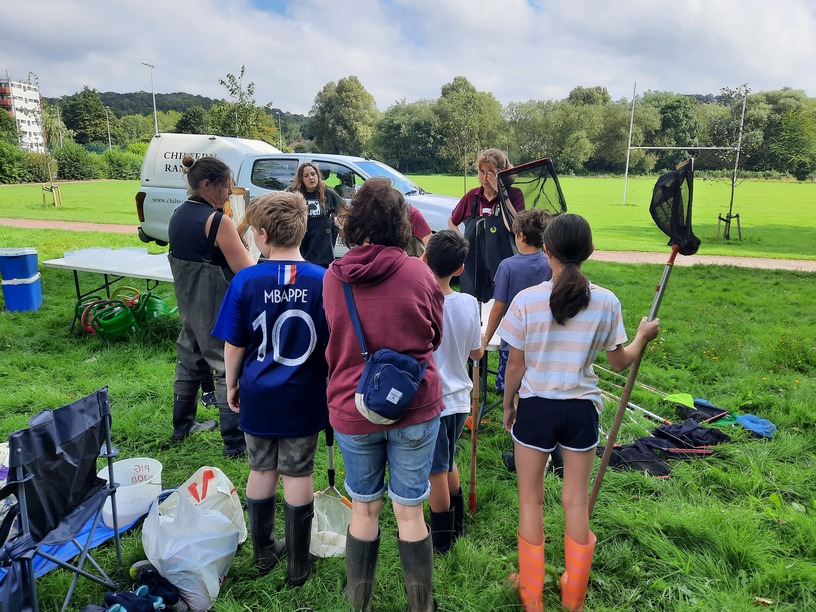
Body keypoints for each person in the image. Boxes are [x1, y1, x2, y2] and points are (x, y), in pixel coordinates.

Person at [498, 213, 660, 611]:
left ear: (547, 250)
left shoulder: (525, 301)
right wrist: (642, 337)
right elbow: (620, 362)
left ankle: (532, 595)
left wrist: (508, 403)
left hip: (536, 408)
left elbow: (515, 365)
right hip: (582, 411)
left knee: (530, 501)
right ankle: (574, 596)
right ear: (588, 252)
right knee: (575, 501)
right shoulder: (606, 301)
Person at [323, 177, 444, 611]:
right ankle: (421, 606)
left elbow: (334, 338)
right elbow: (435, 335)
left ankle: (360, 605)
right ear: (401, 223)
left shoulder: (333, 278)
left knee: (364, 508)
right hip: (414, 405)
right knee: (409, 511)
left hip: (352, 406)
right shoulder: (418, 271)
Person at [212, 192, 329, 586]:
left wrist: (231, 384)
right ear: (303, 228)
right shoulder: (323, 279)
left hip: (258, 394)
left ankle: (264, 553)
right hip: (304, 395)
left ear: (261, 236)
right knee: (298, 474)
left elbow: (234, 343)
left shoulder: (246, 279)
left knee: (260, 468)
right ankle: (299, 564)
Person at [167, 155, 255, 457]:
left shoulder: (178, 215)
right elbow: (247, 271)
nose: (229, 193)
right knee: (223, 366)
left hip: (187, 303)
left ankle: (182, 427)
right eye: (226, 187)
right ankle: (235, 443)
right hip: (214, 305)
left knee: (188, 361)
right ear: (207, 184)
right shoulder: (218, 221)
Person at [422, 230, 484, 554]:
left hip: (434, 401)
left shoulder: (422, 301)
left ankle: (443, 543)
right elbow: (477, 353)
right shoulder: (470, 303)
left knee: (436, 471)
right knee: (448, 462)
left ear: (425, 259)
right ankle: (458, 526)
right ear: (460, 268)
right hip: (461, 401)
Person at [447, 148, 525, 300]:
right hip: (473, 267)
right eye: (481, 171)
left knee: (503, 304)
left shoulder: (514, 195)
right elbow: (452, 221)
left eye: (490, 173)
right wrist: (461, 240)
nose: (485, 177)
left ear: (501, 173)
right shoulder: (472, 195)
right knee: (472, 306)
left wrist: (502, 194)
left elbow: (515, 226)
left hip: (504, 265)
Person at [288, 162, 343, 268]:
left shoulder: (328, 194)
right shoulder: (292, 194)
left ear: (318, 175)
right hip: (301, 245)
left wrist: (339, 225)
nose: (311, 178)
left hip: (323, 248)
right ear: (301, 178)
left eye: (313, 174)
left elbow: (345, 211)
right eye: (306, 175)